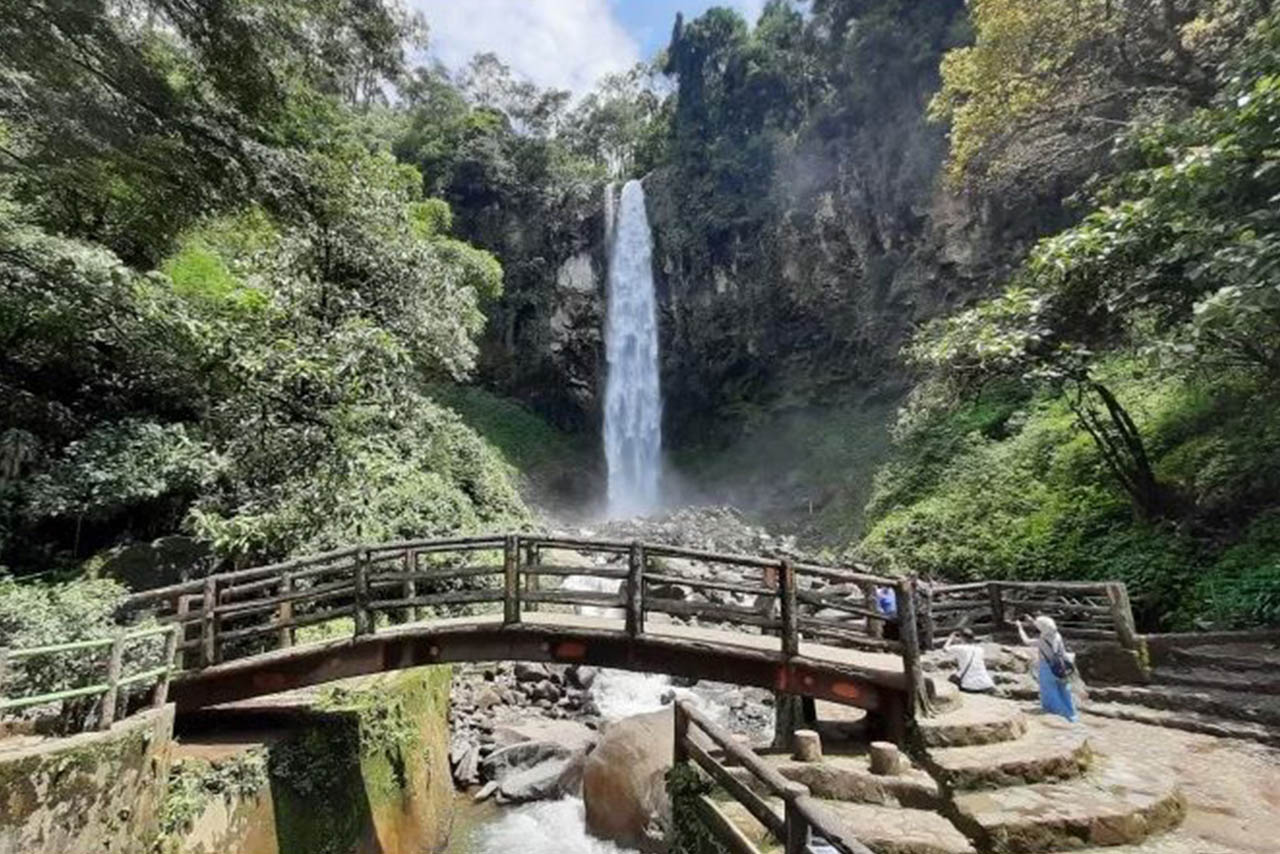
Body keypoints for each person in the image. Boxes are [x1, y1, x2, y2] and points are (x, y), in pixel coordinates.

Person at [1016, 614, 1078, 721]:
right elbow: (1062, 652)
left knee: (1050, 692)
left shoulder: (1041, 641)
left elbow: (1026, 641)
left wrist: (1020, 628)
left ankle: (1058, 715)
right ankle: (1071, 715)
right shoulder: (1057, 636)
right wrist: (1031, 620)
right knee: (1065, 691)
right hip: (1061, 666)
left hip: (1047, 668)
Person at [943, 627, 996, 693]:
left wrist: (950, 639)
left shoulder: (960, 648)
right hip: (987, 684)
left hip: (970, 686)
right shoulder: (980, 649)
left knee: (952, 677)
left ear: (962, 638)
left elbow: (945, 649)